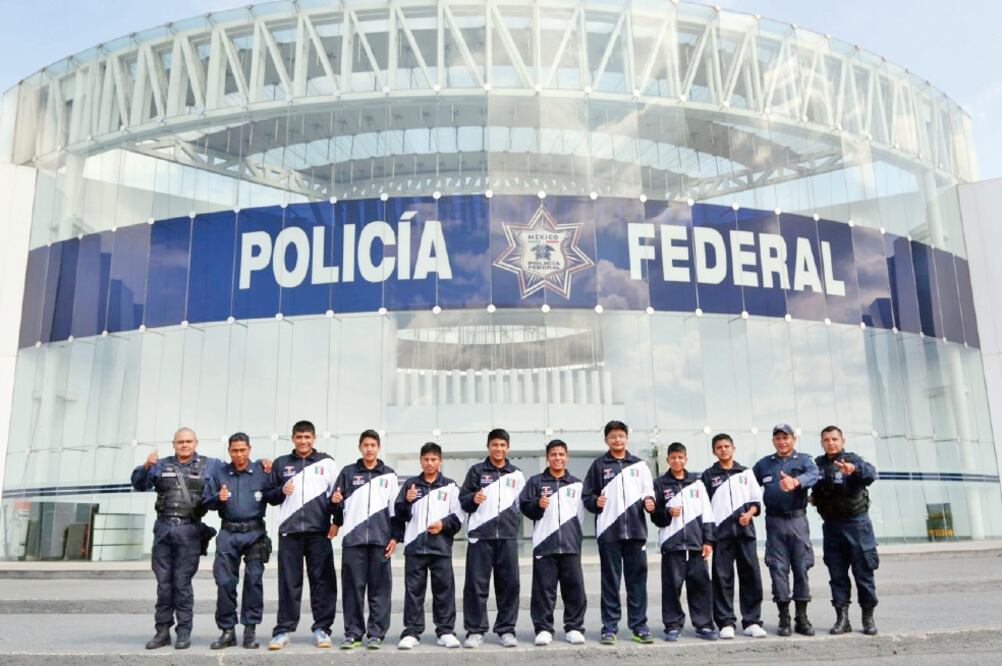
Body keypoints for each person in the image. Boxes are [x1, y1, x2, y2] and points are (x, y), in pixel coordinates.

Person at [131, 427, 222, 650]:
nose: (184, 445)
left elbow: (237, 469)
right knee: (164, 584)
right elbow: (139, 484)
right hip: (163, 528)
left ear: (196, 443)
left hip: (189, 530)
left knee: (182, 584)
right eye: (180, 442)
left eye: (189, 441)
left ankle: (183, 631)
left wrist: (264, 464)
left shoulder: (211, 465)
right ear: (173, 444)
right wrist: (145, 466)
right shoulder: (160, 464)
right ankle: (162, 631)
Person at [266, 420, 340, 650]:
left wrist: (337, 521)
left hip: (319, 532)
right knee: (289, 582)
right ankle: (283, 630)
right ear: (293, 438)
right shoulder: (281, 463)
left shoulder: (327, 462)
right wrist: (281, 491)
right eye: (299, 437)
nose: (303, 441)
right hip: (290, 532)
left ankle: (322, 629)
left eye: (307, 437)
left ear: (314, 438)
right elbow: (269, 496)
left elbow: (337, 496)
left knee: (323, 582)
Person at [582, 420, 655, 645]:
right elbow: (587, 497)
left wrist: (650, 501)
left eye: (621, 436)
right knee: (610, 582)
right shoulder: (598, 465)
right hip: (609, 533)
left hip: (635, 531)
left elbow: (649, 491)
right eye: (612, 436)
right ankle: (609, 627)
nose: (617, 440)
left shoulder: (639, 465)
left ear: (626, 438)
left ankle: (639, 626)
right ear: (606, 440)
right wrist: (595, 501)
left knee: (637, 582)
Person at [202, 432, 273, 650]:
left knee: (253, 581)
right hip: (228, 534)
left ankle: (250, 630)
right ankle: (227, 631)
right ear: (229, 451)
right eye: (235, 450)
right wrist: (218, 498)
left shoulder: (262, 471)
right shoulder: (220, 473)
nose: (239, 454)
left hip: (255, 534)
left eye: (243, 450)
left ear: (249, 449)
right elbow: (206, 501)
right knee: (225, 582)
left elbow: (276, 494)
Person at [331, 430, 399, 650]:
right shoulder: (348, 473)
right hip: (353, 541)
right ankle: (353, 633)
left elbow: (395, 510)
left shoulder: (389, 475)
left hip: (380, 541)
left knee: (380, 590)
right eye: (365, 445)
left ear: (378, 447)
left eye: (373, 445)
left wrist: (395, 537)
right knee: (353, 590)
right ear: (359, 447)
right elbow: (337, 505)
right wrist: (335, 503)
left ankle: (376, 634)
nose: (369, 449)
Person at [395, 442, 466, 650]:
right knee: (413, 592)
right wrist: (407, 502)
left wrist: (443, 524)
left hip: (440, 548)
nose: (429, 463)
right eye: (426, 459)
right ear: (420, 461)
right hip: (414, 548)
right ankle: (412, 632)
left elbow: (458, 517)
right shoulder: (410, 485)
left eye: (433, 459)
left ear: (440, 461)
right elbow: (399, 514)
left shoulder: (450, 486)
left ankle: (445, 631)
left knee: (444, 591)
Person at [459, 428, 525, 648]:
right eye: (494, 444)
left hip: (506, 537)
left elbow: (522, 505)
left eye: (502, 445)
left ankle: (506, 630)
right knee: (476, 586)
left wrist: (513, 525)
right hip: (480, 537)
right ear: (488, 446)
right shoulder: (476, 471)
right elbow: (463, 500)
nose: (498, 449)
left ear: (508, 448)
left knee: (509, 585)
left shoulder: (516, 474)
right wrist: (473, 498)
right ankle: (475, 631)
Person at [752, 424, 820, 637]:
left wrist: (796, 481)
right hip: (774, 523)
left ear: (793, 439)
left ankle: (802, 618)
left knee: (801, 567)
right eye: (778, 438)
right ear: (773, 441)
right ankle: (784, 618)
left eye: (786, 437)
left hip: (797, 521)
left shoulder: (804, 460)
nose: (782, 442)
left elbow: (815, 475)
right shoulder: (763, 464)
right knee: (778, 569)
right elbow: (749, 487)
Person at [810, 425, 879, 636]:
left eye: (834, 439)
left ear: (842, 441)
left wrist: (854, 470)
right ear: (822, 443)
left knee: (863, 573)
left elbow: (871, 473)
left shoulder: (853, 459)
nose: (831, 443)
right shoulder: (817, 464)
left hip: (857, 525)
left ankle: (868, 617)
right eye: (826, 440)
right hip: (832, 526)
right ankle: (842, 619)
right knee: (837, 574)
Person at [518, 439, 588, 646]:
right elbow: (525, 508)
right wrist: (538, 505)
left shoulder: (576, 484)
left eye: (561, 454)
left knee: (574, 589)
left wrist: (571, 534)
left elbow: (580, 515)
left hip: (570, 545)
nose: (558, 458)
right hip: (544, 544)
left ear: (567, 457)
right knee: (543, 590)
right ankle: (543, 629)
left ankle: (574, 628)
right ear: (547, 457)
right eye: (553, 455)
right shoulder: (536, 482)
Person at [649, 442, 718, 642]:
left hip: (697, 545)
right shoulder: (660, 484)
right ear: (667, 460)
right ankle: (672, 626)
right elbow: (655, 516)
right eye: (673, 458)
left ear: (685, 459)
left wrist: (708, 540)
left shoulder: (697, 483)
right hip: (672, 546)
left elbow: (707, 513)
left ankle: (704, 625)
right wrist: (667, 512)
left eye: (680, 457)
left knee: (701, 587)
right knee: (671, 588)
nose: (677, 461)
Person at [701, 433, 767, 639]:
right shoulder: (708, 476)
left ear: (733, 448)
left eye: (727, 446)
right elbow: (704, 507)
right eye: (719, 447)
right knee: (722, 578)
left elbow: (756, 501)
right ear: (714, 451)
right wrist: (707, 537)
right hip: (721, 535)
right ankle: (725, 622)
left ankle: (752, 621)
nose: (723, 450)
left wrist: (749, 514)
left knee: (751, 576)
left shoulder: (746, 473)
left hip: (745, 534)